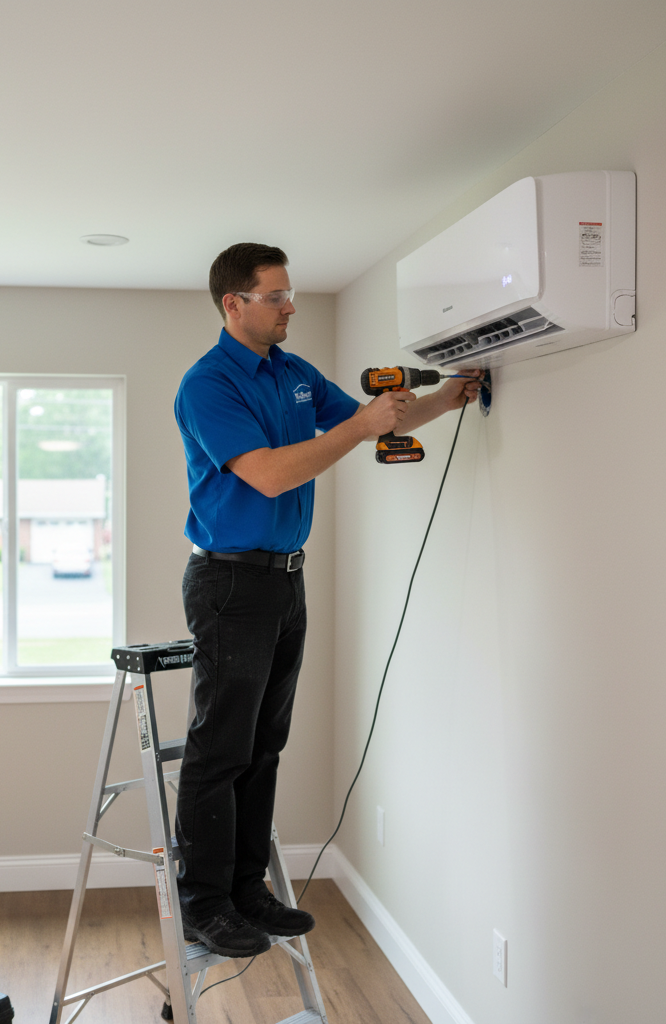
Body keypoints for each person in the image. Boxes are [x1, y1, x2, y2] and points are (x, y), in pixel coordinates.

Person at [173, 242, 481, 958]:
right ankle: (203, 904)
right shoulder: (208, 384)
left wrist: (448, 396)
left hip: (284, 580)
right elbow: (272, 476)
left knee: (264, 746)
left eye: (289, 294)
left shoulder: (295, 374)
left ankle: (248, 889)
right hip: (230, 583)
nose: (290, 306)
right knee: (221, 750)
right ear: (234, 304)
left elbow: (383, 421)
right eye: (276, 296)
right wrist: (360, 427)